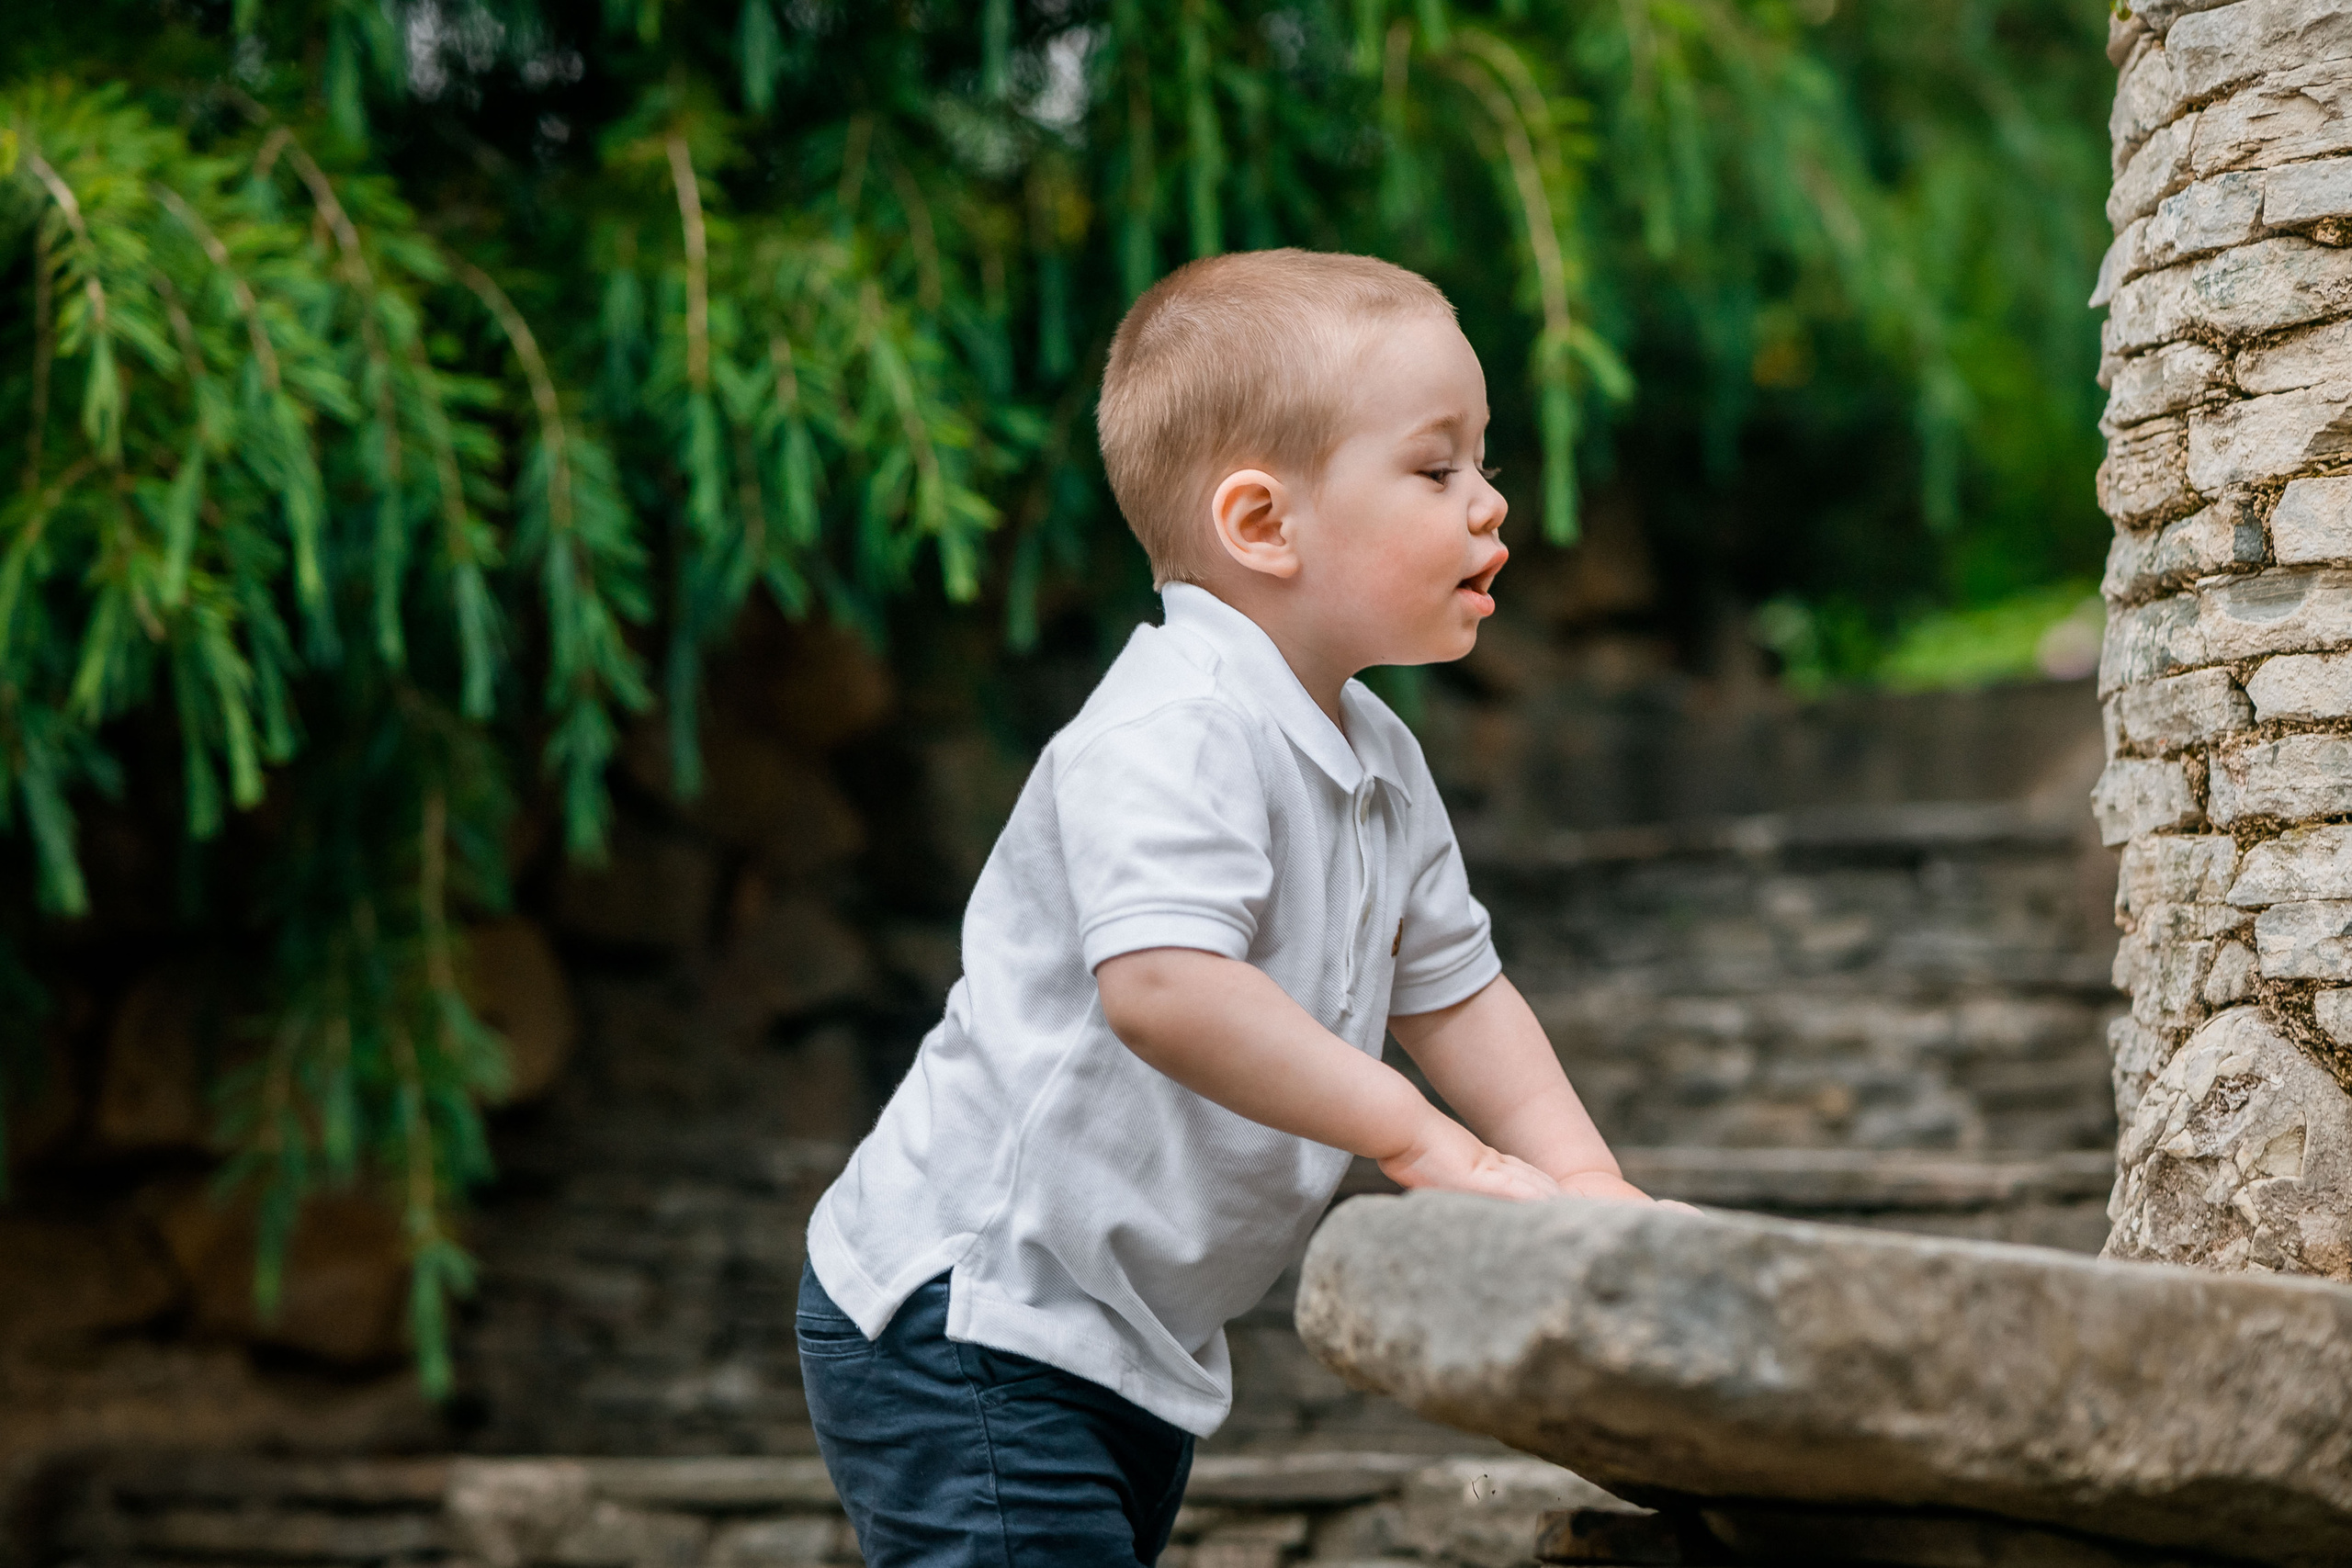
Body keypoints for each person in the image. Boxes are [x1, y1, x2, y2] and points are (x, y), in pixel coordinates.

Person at [797, 249, 1665, 1567]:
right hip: (974, 1312)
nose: (1491, 505)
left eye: (1482, 462)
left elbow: (1456, 991)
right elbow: (1165, 988)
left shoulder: (1377, 752)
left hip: (1126, 1339)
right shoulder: (1174, 725)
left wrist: (1585, 1182)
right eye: (1437, 470)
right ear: (1262, 524)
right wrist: (1426, 1146)